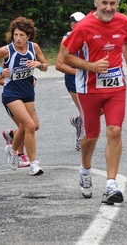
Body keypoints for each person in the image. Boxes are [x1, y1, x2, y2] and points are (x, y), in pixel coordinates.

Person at [62, 0, 127, 204]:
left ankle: (111, 185)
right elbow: (67, 56)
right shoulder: (83, 27)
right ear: (95, 3)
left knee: (114, 131)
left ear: (118, 3)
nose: (108, 8)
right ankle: (85, 171)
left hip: (116, 87)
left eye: (112, 3)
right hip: (89, 89)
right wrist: (92, 66)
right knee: (91, 137)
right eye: (104, 3)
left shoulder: (123, 21)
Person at [0, 16, 48, 176]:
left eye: (21, 35)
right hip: (11, 93)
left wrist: (39, 65)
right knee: (30, 126)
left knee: (26, 127)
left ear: (28, 36)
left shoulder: (34, 48)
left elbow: (45, 66)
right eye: (15, 35)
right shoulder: (6, 50)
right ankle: (34, 165)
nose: (18, 38)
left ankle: (13, 151)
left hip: (28, 92)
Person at [56, 12, 86, 151]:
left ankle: (78, 121)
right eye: (78, 23)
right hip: (73, 79)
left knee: (100, 110)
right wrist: (79, 71)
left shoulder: (88, 36)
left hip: (88, 77)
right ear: (72, 24)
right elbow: (59, 65)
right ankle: (81, 139)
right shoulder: (66, 39)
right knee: (86, 111)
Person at [0, 73, 39, 167]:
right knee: (25, 127)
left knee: (35, 126)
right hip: (12, 97)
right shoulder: (9, 59)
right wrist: (16, 86)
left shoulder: (30, 59)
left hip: (26, 96)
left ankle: (11, 135)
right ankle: (20, 155)